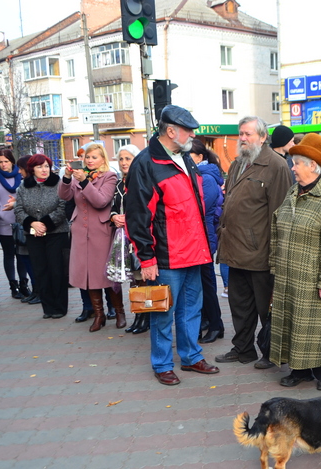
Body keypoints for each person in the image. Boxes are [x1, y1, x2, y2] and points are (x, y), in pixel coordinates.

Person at [126, 105, 220, 386]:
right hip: (166, 256)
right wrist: (147, 258)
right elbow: (138, 215)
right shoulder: (146, 163)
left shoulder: (184, 158)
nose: (192, 135)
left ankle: (191, 357)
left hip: (193, 251)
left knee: (192, 309)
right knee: (163, 313)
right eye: (188, 130)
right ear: (170, 131)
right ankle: (162, 363)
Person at [270, 133, 321, 391]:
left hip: (314, 276)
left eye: (297, 163)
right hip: (289, 274)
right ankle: (300, 370)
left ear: (313, 165)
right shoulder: (294, 191)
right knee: (296, 323)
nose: (292, 168)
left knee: (317, 327)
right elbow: (277, 225)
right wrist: (275, 266)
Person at [215, 116, 293, 368]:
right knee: (240, 306)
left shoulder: (276, 165)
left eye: (248, 134)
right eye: (241, 134)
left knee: (266, 308)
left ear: (262, 137)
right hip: (234, 250)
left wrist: (277, 255)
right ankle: (243, 349)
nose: (243, 138)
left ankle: (271, 352)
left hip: (260, 253)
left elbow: (280, 213)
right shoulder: (238, 163)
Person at [59, 143, 124, 331]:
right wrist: (67, 177)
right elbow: (64, 196)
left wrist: (85, 182)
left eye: (94, 157)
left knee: (107, 274)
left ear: (103, 159)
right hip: (81, 231)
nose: (90, 160)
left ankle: (119, 312)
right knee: (88, 274)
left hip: (101, 231)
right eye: (87, 157)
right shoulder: (79, 175)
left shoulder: (109, 176)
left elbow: (101, 201)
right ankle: (99, 315)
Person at [15, 154, 70, 319]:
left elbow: (62, 207)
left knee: (56, 270)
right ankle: (48, 308)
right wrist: (32, 223)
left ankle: (60, 307)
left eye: (46, 166)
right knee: (40, 270)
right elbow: (18, 209)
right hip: (33, 235)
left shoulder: (59, 184)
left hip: (56, 233)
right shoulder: (24, 187)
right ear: (32, 169)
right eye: (40, 167)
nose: (44, 170)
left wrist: (45, 223)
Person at [188, 139, 225, 344]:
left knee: (207, 281)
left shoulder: (207, 178)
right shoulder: (197, 175)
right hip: (197, 237)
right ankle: (206, 320)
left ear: (200, 157)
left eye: (190, 154)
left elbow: (201, 210)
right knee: (200, 282)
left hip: (204, 237)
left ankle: (216, 324)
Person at [111, 144, 149, 335]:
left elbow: (148, 208)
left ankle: (146, 317)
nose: (124, 162)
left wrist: (131, 218)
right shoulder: (118, 184)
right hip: (123, 237)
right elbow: (113, 206)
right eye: (121, 159)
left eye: (128, 158)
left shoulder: (143, 180)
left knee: (142, 277)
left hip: (140, 236)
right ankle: (138, 316)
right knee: (133, 279)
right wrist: (114, 216)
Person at [0, 149, 31, 299]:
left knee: (22, 252)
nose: (3, 165)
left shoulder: (21, 175)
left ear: (12, 161)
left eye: (6, 161)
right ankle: (13, 286)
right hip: (3, 222)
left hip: (21, 219)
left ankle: (24, 284)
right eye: (0, 162)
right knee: (9, 253)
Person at [14, 155, 39, 305]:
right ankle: (35, 290)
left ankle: (39, 290)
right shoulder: (22, 185)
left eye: (21, 168)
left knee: (33, 261)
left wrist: (15, 204)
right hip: (24, 229)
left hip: (32, 229)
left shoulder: (29, 186)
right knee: (25, 259)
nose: (19, 172)